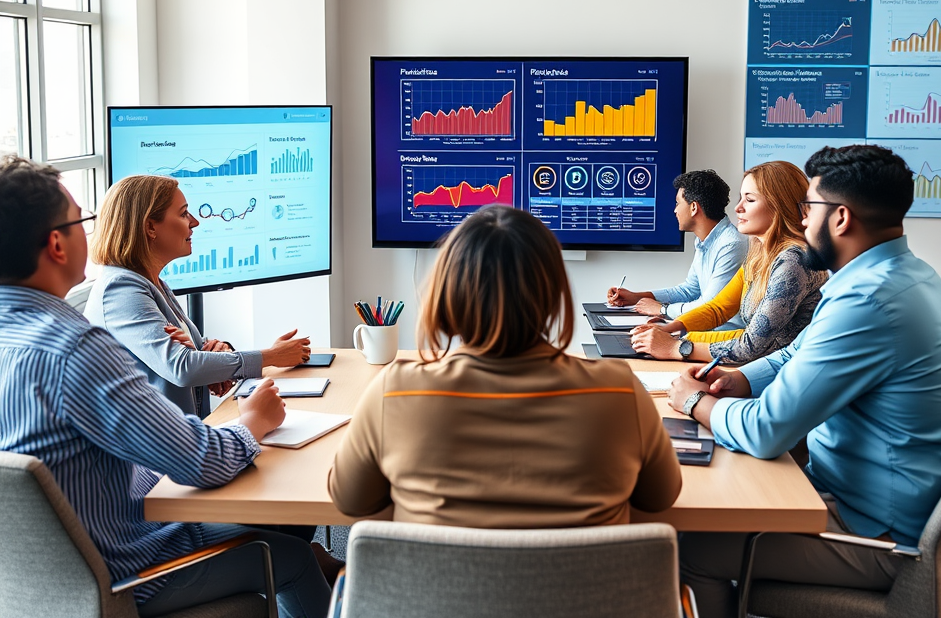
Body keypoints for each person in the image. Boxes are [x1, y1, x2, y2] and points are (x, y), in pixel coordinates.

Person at [0, 155, 330, 617]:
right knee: (289, 555)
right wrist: (253, 422)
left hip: (34, 588)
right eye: (83, 219)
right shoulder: (75, 348)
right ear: (57, 243)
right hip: (124, 570)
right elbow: (203, 462)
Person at [667, 145, 941, 618]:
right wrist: (738, 381)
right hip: (876, 498)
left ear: (841, 218)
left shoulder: (868, 301)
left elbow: (768, 432)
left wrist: (693, 403)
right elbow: (794, 352)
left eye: (809, 207)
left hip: (879, 533)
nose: (802, 219)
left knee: (689, 547)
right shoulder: (900, 276)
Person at [328, 204, 682, 527]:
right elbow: (659, 498)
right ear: (550, 293)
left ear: (449, 294)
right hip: (582, 597)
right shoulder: (619, 390)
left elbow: (351, 500)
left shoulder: (396, 392)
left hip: (438, 597)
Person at [85, 174, 311, 418]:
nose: (194, 222)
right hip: (159, 449)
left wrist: (217, 354)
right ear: (150, 227)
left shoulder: (151, 281)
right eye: (183, 214)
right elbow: (182, 367)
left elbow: (190, 350)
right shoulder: (121, 291)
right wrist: (272, 356)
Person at [630, 161, 828, 366]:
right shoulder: (759, 255)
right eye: (741, 198)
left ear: (779, 205)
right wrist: (670, 328)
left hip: (783, 375)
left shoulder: (793, 261)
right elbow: (718, 308)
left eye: (749, 200)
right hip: (762, 367)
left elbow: (751, 345)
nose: (738, 208)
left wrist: (676, 346)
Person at [606, 169, 747, 328]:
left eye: (678, 203)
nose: (675, 210)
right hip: (702, 332)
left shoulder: (732, 245)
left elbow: (709, 305)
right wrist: (636, 297)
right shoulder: (704, 241)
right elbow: (689, 291)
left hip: (722, 339)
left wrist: (662, 309)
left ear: (693, 208)